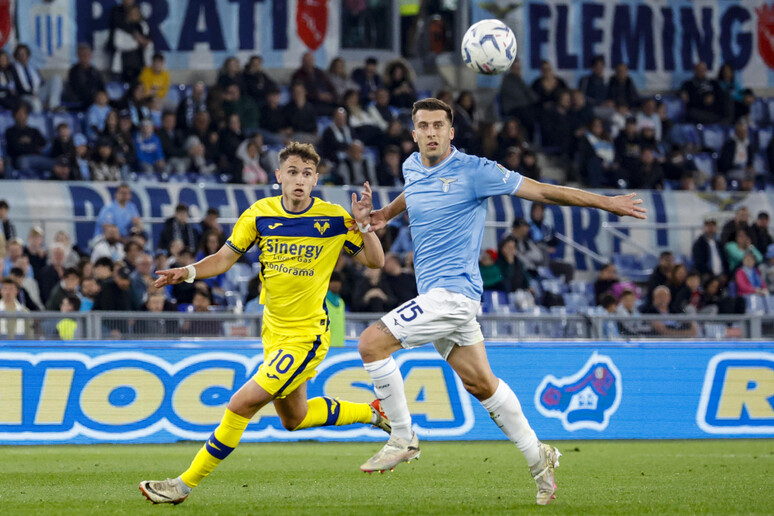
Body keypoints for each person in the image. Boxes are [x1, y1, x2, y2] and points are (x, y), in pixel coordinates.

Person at [355, 98, 646, 505]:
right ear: (414, 132)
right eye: (424, 126)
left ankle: (403, 436)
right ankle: (538, 457)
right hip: (436, 296)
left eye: (439, 125)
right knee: (481, 384)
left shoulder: (476, 171)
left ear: (451, 132)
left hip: (453, 295)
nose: (432, 132)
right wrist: (385, 214)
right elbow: (414, 192)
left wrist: (607, 202)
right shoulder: (411, 167)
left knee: (370, 342)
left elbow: (543, 191)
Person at [139, 142, 389, 504]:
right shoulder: (259, 215)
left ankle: (182, 485)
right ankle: (372, 411)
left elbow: (375, 262)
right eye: (292, 172)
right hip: (273, 333)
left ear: (316, 179)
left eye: (306, 174)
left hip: (306, 336)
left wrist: (364, 225)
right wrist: (188, 272)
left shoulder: (335, 218)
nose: (299, 180)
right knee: (294, 418)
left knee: (241, 405)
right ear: (278, 177)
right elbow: (224, 258)